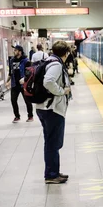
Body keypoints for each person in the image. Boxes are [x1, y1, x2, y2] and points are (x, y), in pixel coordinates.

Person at [36, 41, 72, 184]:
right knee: (53, 143)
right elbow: (48, 81)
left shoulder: (49, 61)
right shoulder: (56, 64)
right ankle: (51, 175)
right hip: (52, 109)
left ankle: (53, 171)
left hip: (45, 108)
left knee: (51, 142)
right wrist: (62, 91)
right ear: (66, 53)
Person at [6, 45, 33, 123]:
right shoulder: (12, 60)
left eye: (15, 50)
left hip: (24, 84)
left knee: (27, 100)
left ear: (20, 52)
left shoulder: (26, 61)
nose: (14, 52)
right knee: (13, 100)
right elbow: (11, 72)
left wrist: (25, 80)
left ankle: (30, 116)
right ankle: (17, 116)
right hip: (14, 84)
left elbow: (29, 73)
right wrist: (7, 81)